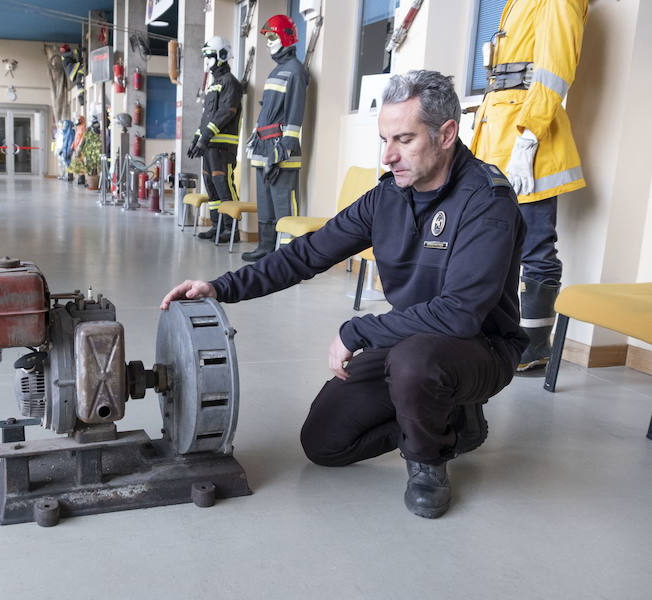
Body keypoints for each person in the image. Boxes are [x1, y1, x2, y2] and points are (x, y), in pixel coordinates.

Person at [161, 71, 527, 519]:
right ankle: (453, 419)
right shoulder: (389, 195)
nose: (389, 156)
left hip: (479, 349)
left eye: (404, 139)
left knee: (416, 363)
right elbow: (309, 253)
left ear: (446, 133)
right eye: (384, 139)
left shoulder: (486, 201)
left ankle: (428, 460)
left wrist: (358, 331)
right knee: (325, 443)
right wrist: (221, 287)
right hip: (409, 340)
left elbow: (460, 315)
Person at [470, 0, 588, 371]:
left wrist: (530, 135)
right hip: (498, 136)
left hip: (527, 140)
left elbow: (554, 70)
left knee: (535, 245)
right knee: (496, 245)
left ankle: (534, 346)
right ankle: (503, 335)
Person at [243, 14, 309, 262]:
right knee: (265, 201)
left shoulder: (295, 71)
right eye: (267, 38)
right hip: (263, 146)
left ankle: (288, 256)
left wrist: (285, 147)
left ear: (286, 37)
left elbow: (295, 111)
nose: (269, 42)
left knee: (284, 203)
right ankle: (266, 247)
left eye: (272, 37)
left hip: (281, 149)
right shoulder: (277, 70)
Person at [188, 36, 243, 243]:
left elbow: (226, 112)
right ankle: (217, 226)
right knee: (211, 185)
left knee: (224, 185)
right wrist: (196, 139)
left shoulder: (231, 83)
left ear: (221, 55)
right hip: (209, 145)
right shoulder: (214, 85)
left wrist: (205, 138)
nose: (207, 61)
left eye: (210, 56)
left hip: (223, 146)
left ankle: (232, 229)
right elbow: (207, 115)